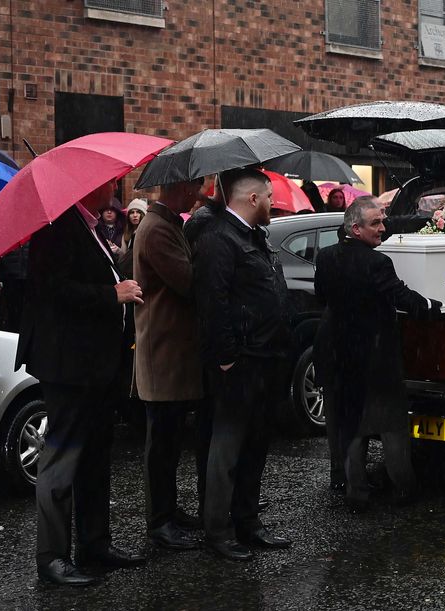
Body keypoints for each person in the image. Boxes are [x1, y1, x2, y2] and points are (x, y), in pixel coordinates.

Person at [15, 180, 146, 586]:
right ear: (87, 187)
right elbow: (52, 290)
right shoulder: (56, 227)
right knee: (63, 458)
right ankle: (52, 558)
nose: (113, 187)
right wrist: (113, 293)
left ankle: (95, 543)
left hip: (95, 367)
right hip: (68, 367)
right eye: (107, 183)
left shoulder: (85, 225)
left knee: (94, 457)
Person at [313, 196, 441, 511]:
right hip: (374, 356)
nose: (382, 228)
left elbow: (321, 296)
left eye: (382, 221)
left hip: (338, 351)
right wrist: (429, 306)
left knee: (352, 423)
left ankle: (357, 493)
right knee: (392, 424)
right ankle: (405, 489)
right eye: (376, 223)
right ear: (355, 229)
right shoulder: (377, 262)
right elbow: (400, 295)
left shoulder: (326, 256)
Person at [192, 168, 292, 561]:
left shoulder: (254, 236)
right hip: (241, 363)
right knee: (227, 449)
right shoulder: (218, 238)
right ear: (253, 200)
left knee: (255, 446)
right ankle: (218, 530)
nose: (273, 202)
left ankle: (248, 522)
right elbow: (211, 303)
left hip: (267, 359)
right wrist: (228, 357)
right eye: (269, 195)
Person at [132, 179, 209, 552]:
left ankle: (169, 512)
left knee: (170, 440)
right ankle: (159, 522)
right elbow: (188, 281)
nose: (198, 193)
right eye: (194, 186)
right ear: (180, 188)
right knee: (161, 444)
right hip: (161, 351)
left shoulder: (168, 224)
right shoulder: (157, 229)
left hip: (171, 350)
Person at [118, 198, 148, 280]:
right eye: (132, 212)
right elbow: (124, 255)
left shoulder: (147, 232)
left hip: (143, 272)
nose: (135, 215)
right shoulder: (126, 234)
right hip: (129, 273)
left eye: (138, 212)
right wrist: (117, 250)